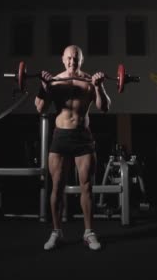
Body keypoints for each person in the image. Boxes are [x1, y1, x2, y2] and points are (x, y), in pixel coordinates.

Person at [34, 45, 111, 251]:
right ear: (62, 59)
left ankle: (89, 233)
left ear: (81, 60)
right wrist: (44, 86)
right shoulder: (56, 81)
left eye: (75, 59)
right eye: (68, 58)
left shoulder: (89, 81)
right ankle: (56, 232)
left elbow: (104, 108)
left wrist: (99, 86)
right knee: (57, 186)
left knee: (86, 186)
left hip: (82, 137)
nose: (71, 62)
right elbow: (40, 107)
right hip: (60, 136)